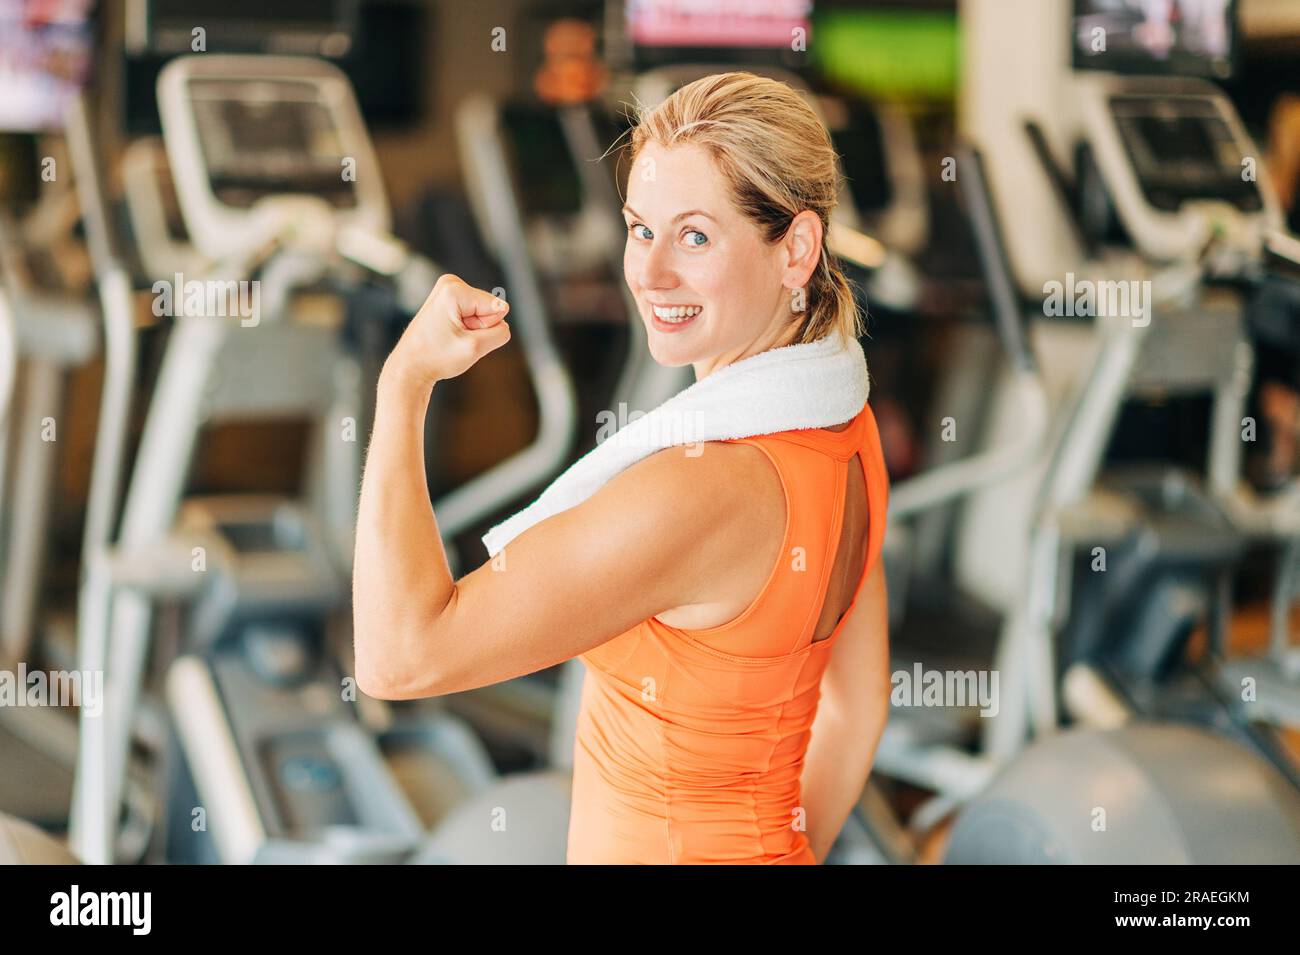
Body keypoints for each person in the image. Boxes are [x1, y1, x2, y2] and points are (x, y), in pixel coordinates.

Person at [353, 72, 892, 864]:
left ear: (797, 249)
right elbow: (858, 709)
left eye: (696, 236)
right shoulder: (846, 423)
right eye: (642, 229)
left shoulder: (703, 489)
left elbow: (399, 656)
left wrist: (403, 384)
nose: (650, 272)